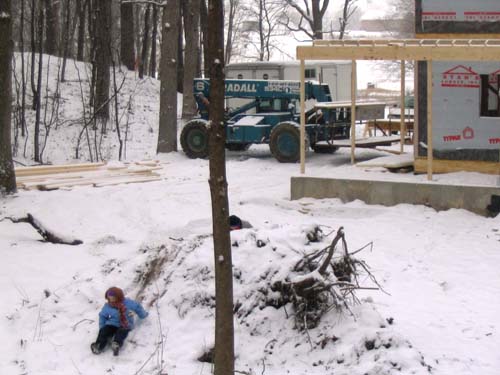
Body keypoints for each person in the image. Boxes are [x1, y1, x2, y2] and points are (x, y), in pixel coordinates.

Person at [90, 287, 148, 356]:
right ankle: (99, 346)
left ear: (119, 297)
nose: (111, 300)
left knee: (122, 332)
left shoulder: (129, 303)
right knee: (104, 331)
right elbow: (102, 316)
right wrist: (102, 327)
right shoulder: (108, 306)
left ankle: (116, 344)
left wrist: (143, 315)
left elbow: (138, 307)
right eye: (109, 298)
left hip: (125, 323)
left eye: (113, 298)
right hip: (112, 323)